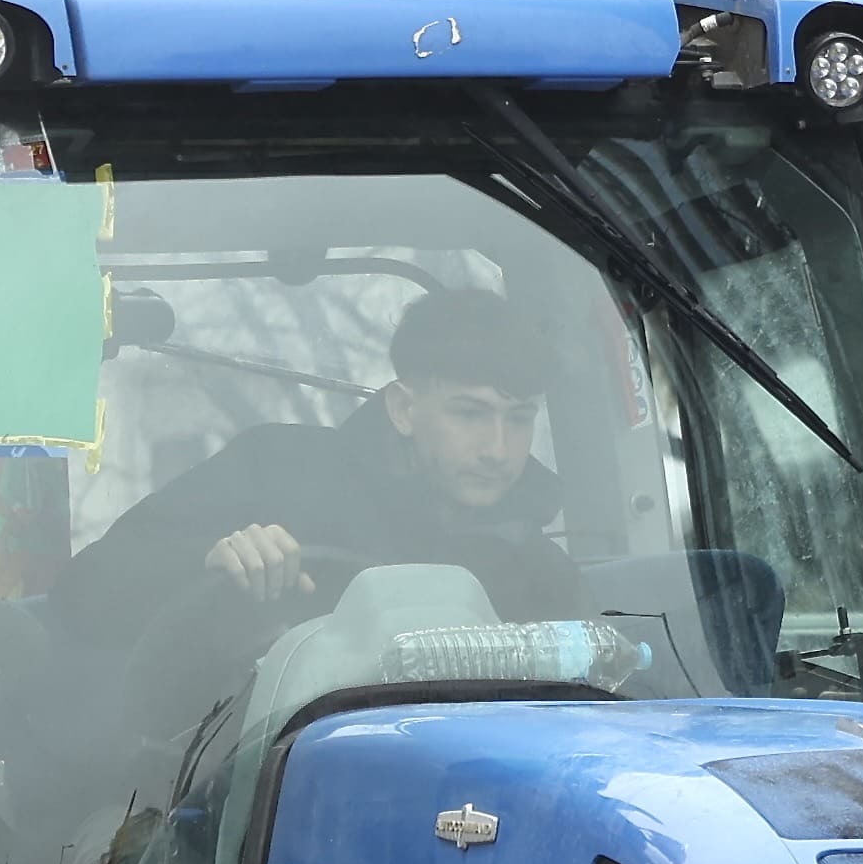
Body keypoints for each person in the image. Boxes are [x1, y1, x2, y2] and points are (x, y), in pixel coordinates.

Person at [64, 284, 582, 692]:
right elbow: (86, 591)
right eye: (470, 414)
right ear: (403, 409)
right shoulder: (276, 471)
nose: (498, 448)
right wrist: (210, 559)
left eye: (518, 420)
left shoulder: (541, 570)